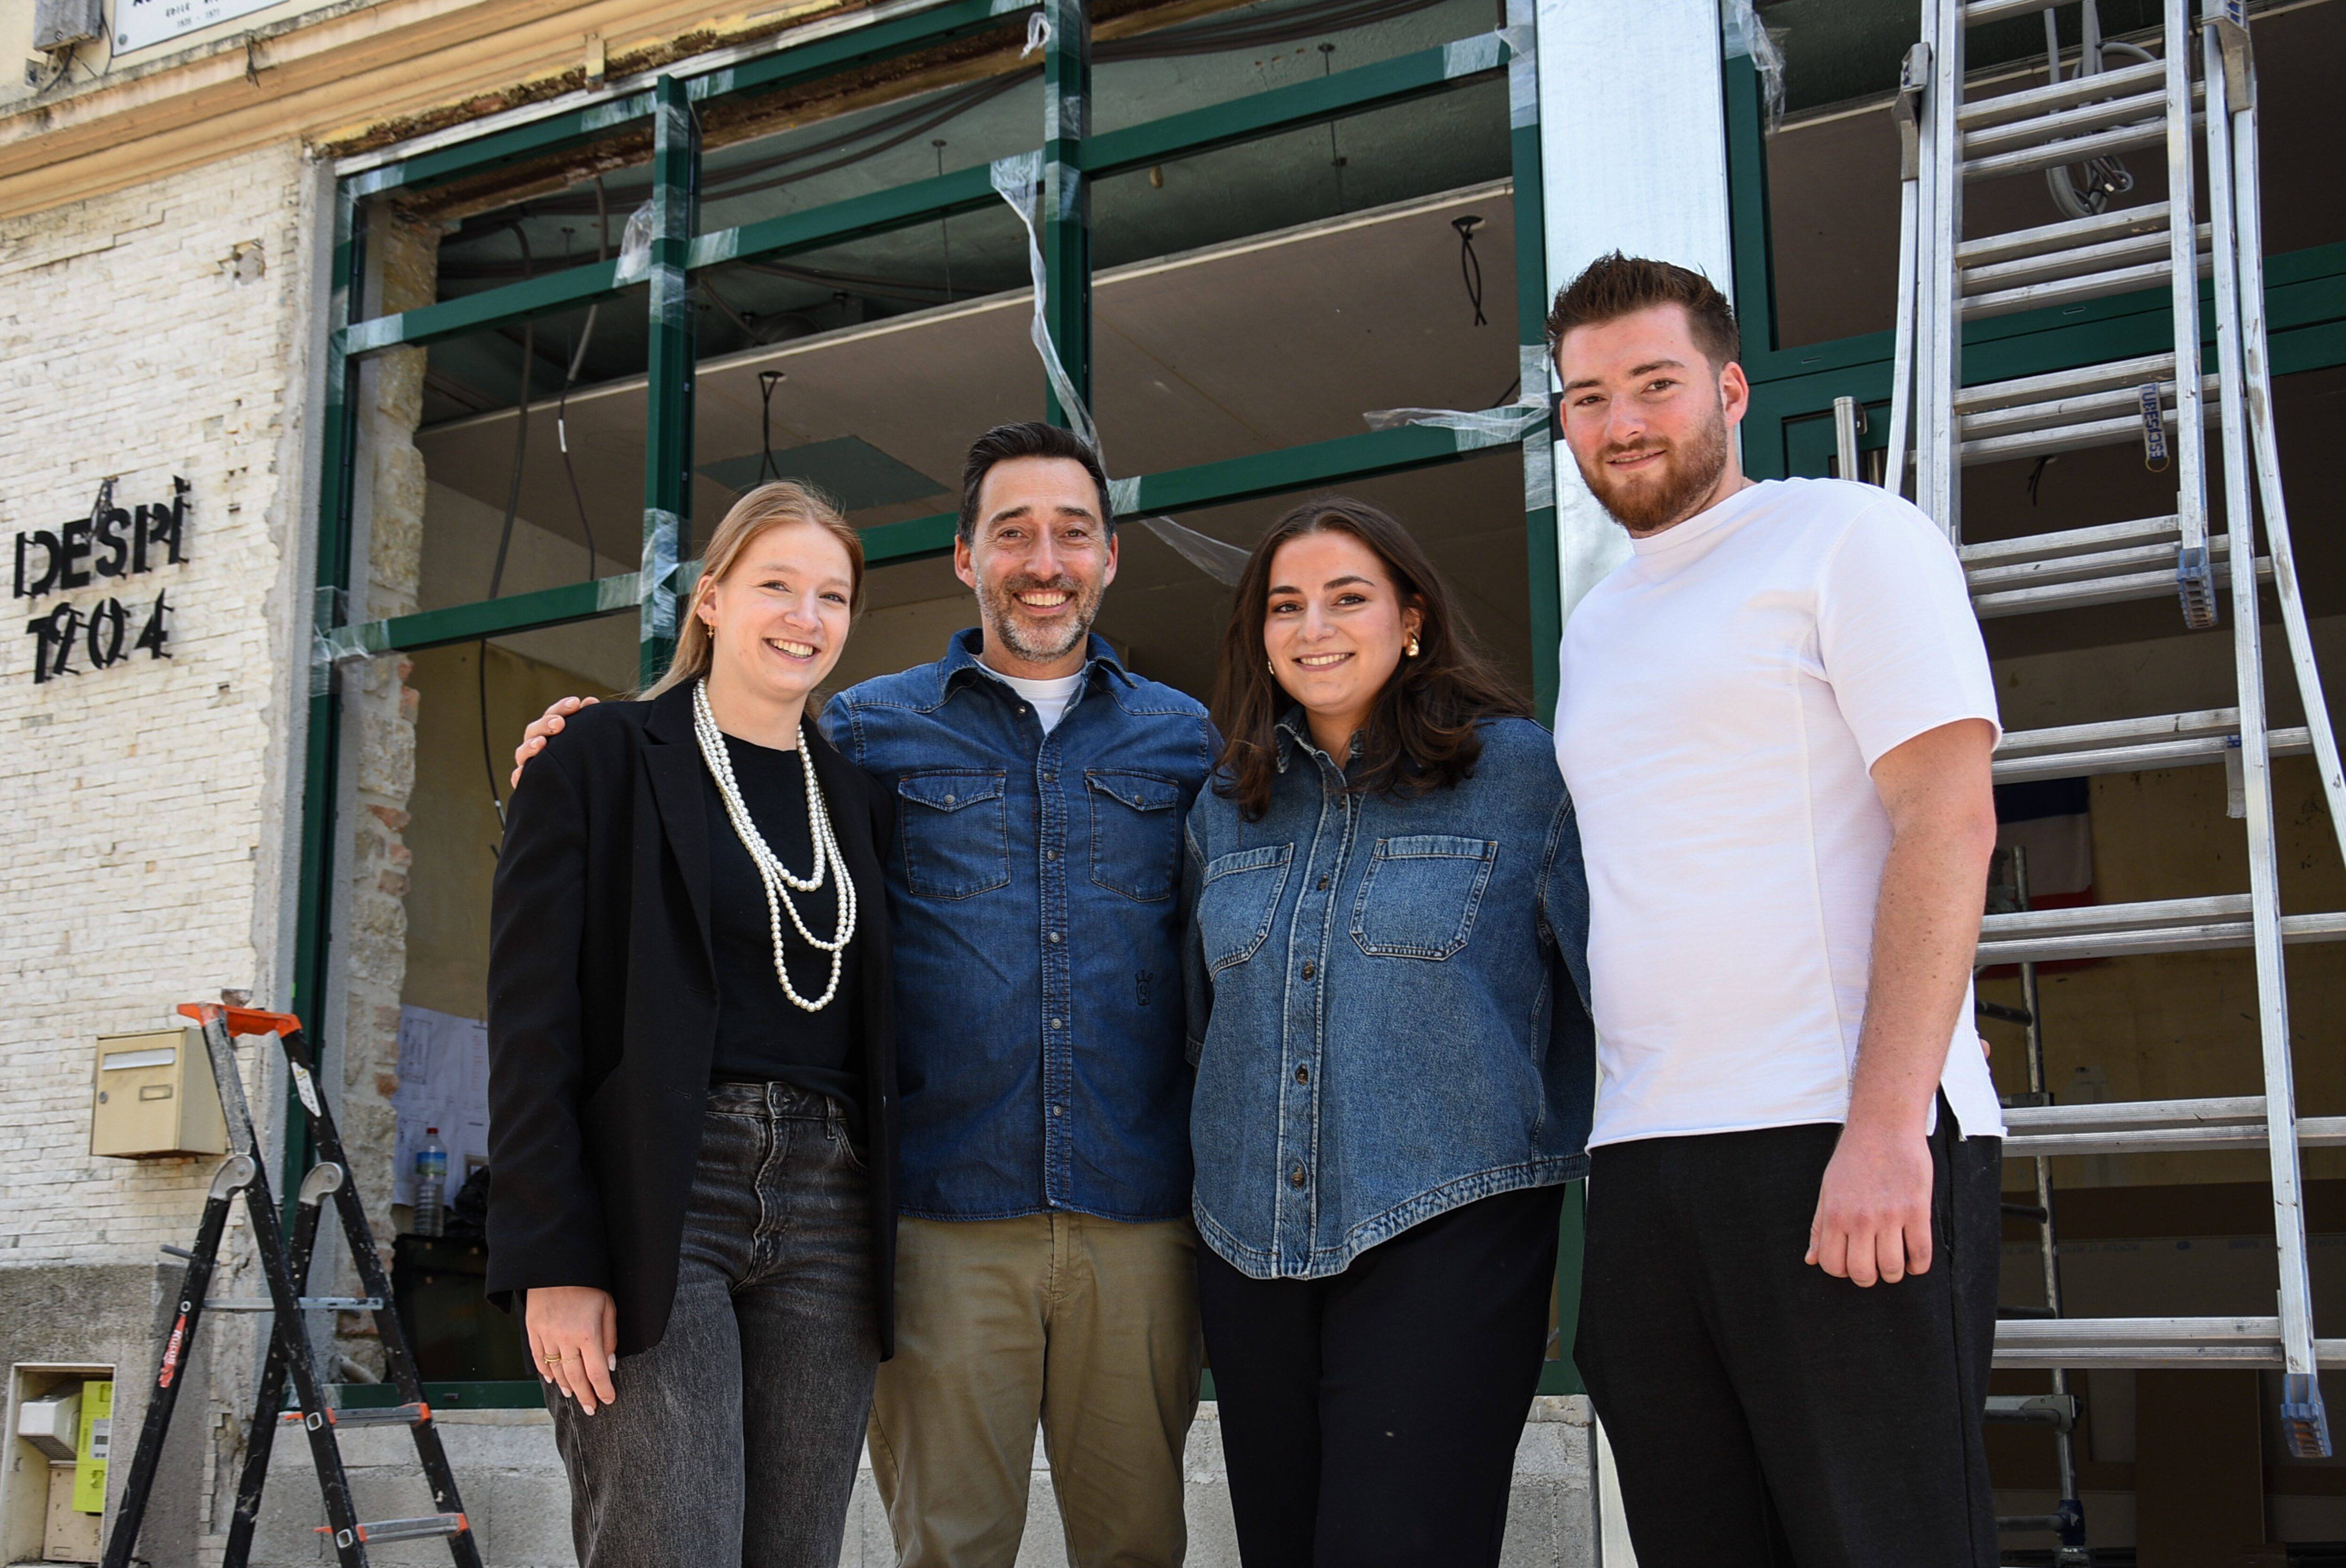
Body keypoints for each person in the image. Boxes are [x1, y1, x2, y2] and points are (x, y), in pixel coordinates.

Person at [513, 422, 1214, 1568]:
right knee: (886, 1545)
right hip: (895, 1203)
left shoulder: (1180, 739)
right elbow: (552, 1002)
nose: (1044, 561)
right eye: (1013, 532)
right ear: (964, 556)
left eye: (1073, 533)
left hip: (1069, 1206)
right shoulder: (862, 732)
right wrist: (590, 743)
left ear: (1110, 555)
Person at [1547, 253, 2004, 1565]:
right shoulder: (1598, 622)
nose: (1622, 422)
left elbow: (1947, 819)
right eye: (1588, 397)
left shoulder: (1850, 537)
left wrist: (1886, 1127)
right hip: (1646, 1158)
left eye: (1656, 383)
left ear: (1731, 389)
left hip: (1833, 1131)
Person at [486, 481, 900, 1568]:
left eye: (832, 595)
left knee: (795, 1552)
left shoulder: (860, 804)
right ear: (710, 598)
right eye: (776, 585)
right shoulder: (597, 756)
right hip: (661, 1193)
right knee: (670, 1544)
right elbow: (532, 1022)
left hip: (831, 1208)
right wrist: (553, 1257)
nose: (805, 617)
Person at [1181, 497, 1594, 1567]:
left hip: (1452, 1225)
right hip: (1250, 1243)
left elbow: (1617, 996)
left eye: (1347, 597)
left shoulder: (1521, 775)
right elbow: (1200, 1030)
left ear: (1411, 618)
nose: (1313, 627)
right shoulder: (1225, 803)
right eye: (1285, 605)